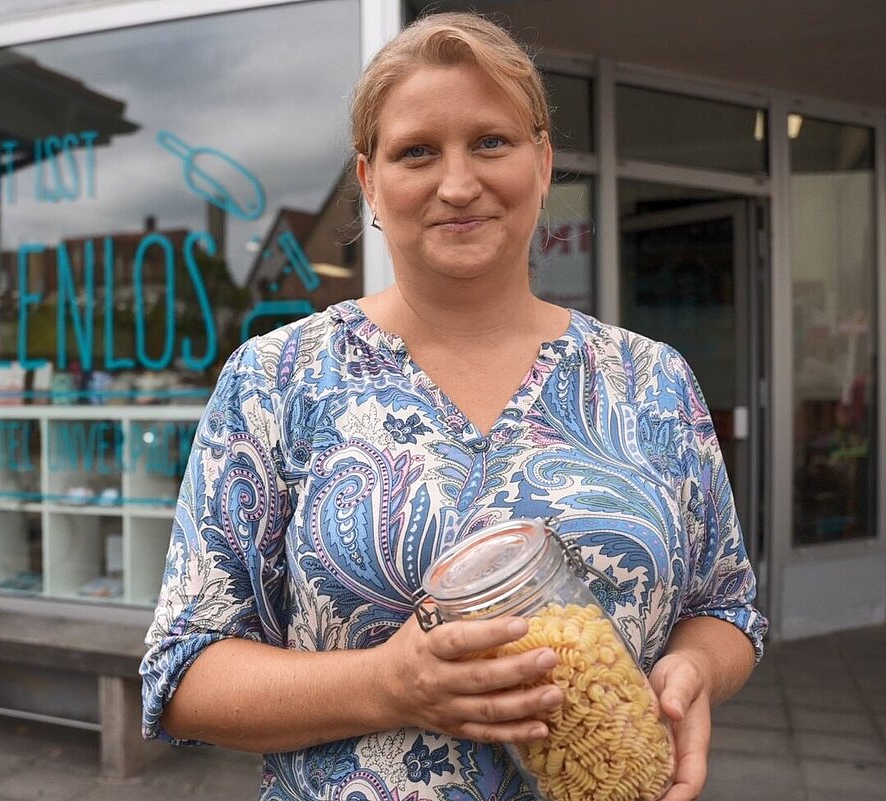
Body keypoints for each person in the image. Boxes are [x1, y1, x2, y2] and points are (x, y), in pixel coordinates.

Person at [141, 11, 766, 801]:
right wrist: (386, 683)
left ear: (543, 161)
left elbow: (727, 608)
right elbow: (183, 672)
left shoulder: (652, 380)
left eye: (492, 142)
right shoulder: (278, 377)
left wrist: (695, 669)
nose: (459, 183)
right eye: (417, 152)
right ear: (369, 181)